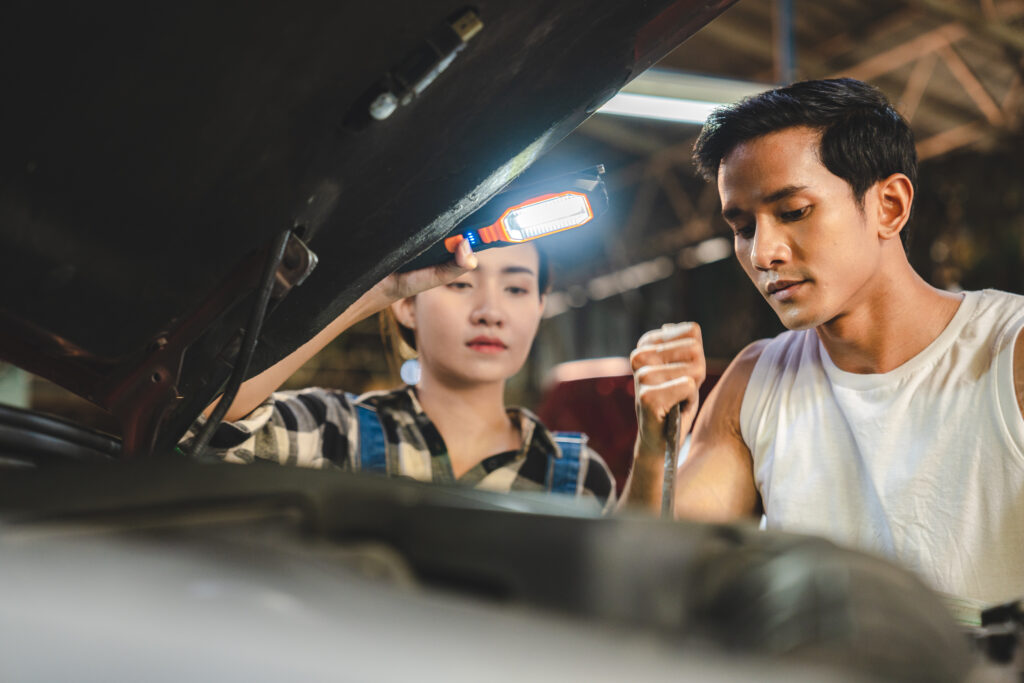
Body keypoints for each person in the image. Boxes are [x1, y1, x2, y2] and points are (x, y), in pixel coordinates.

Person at [628, 78, 1024, 605]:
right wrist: (656, 450)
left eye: (793, 212)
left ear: (888, 206)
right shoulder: (756, 384)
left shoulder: (1009, 354)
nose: (763, 252)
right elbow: (646, 584)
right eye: (744, 226)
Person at [183, 239, 619, 514]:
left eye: (517, 289)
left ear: (541, 305)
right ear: (409, 303)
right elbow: (200, 422)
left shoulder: (579, 478)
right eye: (461, 285)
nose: (491, 313)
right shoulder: (333, 431)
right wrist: (370, 294)